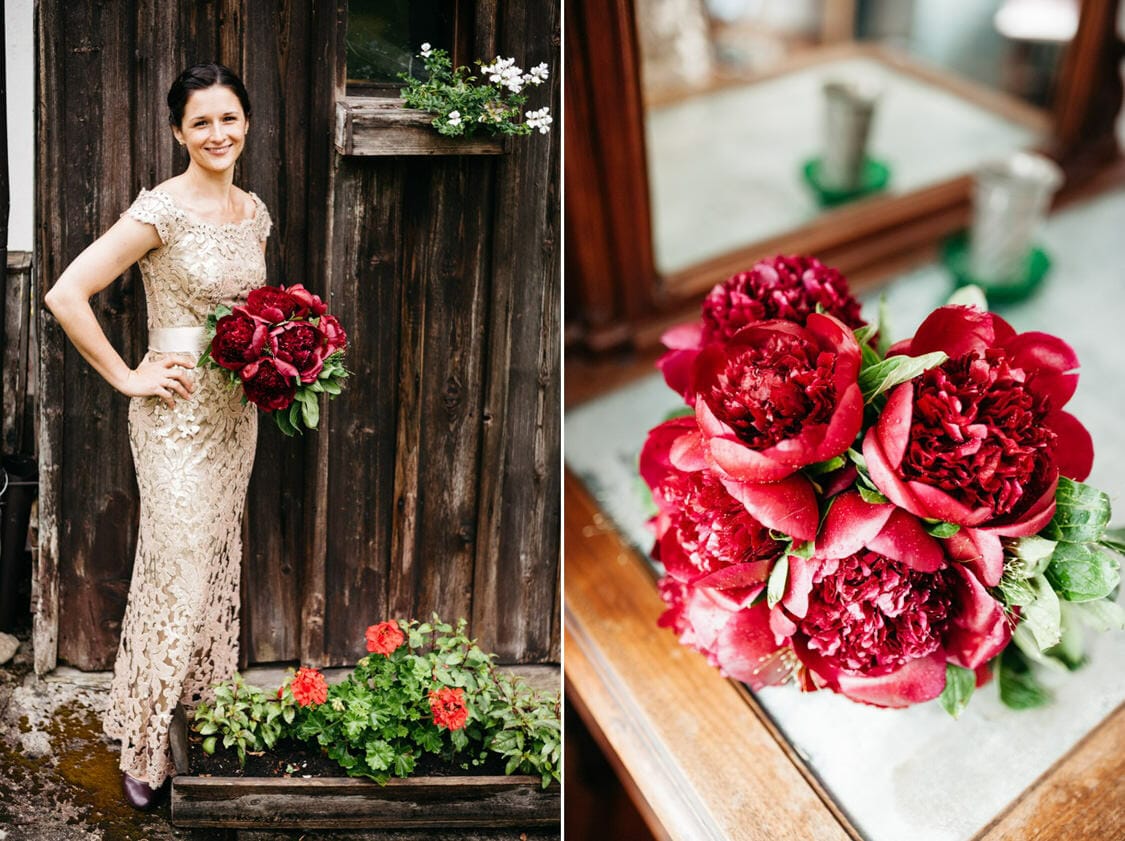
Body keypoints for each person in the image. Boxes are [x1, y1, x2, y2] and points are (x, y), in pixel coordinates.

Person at [43, 63, 271, 810]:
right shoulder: (161, 211)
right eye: (201, 121)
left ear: (246, 123)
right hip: (174, 415)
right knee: (172, 569)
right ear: (178, 131)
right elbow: (67, 293)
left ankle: (202, 712)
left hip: (235, 414)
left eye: (228, 118)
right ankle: (141, 740)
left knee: (211, 564)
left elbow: (255, 314)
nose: (217, 133)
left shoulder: (254, 212)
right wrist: (127, 376)